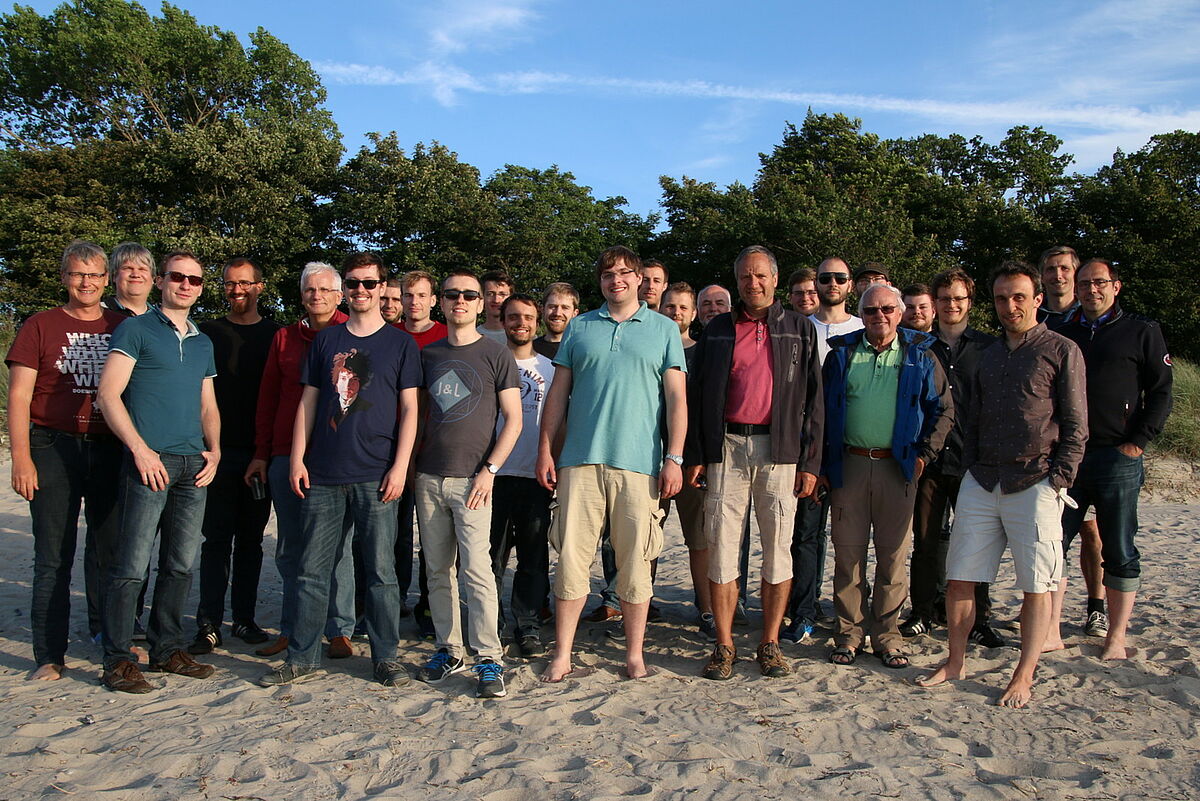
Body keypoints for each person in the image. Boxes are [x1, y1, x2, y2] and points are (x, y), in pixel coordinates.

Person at [919, 260, 1086, 708]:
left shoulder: (1061, 349)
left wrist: (1059, 478)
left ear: (1036, 300)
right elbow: (968, 417)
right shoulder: (988, 355)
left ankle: (1023, 674)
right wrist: (972, 465)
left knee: (1036, 586)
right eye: (1001, 298)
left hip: (1036, 482)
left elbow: (1075, 423)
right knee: (960, 578)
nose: (1010, 306)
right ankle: (955, 660)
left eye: (1018, 297)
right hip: (982, 478)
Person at [258, 252, 421, 688]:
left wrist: (400, 467)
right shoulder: (327, 341)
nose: (361, 291)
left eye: (370, 284)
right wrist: (296, 458)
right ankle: (301, 657)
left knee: (382, 572)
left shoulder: (400, 343)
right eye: (353, 284)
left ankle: (385, 658)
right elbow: (307, 404)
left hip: (377, 473)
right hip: (323, 473)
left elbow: (410, 410)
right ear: (344, 289)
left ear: (383, 288)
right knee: (312, 569)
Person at [537, 245, 686, 682]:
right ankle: (562, 653)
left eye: (624, 273)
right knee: (569, 561)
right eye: (607, 274)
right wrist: (546, 449)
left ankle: (634, 654)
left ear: (640, 278)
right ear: (599, 281)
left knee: (636, 563)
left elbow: (676, 398)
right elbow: (558, 395)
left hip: (640, 465)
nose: (615, 280)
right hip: (579, 462)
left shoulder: (663, 329)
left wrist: (674, 457)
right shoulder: (580, 327)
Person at [685, 246, 822, 680]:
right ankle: (724, 645)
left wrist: (810, 461)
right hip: (726, 448)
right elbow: (698, 394)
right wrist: (697, 455)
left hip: (780, 452)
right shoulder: (719, 329)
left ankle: (770, 643)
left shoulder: (800, 328)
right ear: (737, 281)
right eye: (745, 277)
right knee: (723, 550)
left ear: (775, 279)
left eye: (760, 276)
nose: (753, 283)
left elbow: (815, 400)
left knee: (778, 551)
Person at [96, 250, 220, 693]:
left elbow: (208, 403)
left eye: (195, 279)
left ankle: (167, 649)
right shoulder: (136, 329)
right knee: (131, 565)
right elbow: (108, 396)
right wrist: (140, 451)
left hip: (194, 466)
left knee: (180, 564)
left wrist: (216, 450)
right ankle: (118, 659)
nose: (186, 285)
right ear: (162, 281)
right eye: (177, 277)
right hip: (150, 462)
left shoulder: (203, 341)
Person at [6, 240, 126, 680]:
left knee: (110, 551)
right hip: (52, 446)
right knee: (53, 555)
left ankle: (113, 644)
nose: (86, 282)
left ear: (106, 279)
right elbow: (18, 397)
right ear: (64, 278)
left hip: (107, 446)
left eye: (95, 275)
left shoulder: (122, 326)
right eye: (78, 274)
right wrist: (21, 459)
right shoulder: (40, 325)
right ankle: (49, 656)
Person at [821, 283, 952, 670]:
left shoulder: (921, 355)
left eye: (887, 310)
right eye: (871, 310)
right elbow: (822, 411)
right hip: (850, 464)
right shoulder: (841, 355)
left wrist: (924, 455)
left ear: (899, 312)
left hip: (900, 466)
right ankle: (848, 634)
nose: (879, 316)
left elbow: (943, 410)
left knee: (893, 557)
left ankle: (887, 635)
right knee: (848, 555)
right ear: (860, 314)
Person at [1051, 258, 1172, 660]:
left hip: (1117, 457)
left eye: (1099, 283)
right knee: (1053, 545)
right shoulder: (1060, 331)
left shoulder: (1142, 331)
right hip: (1067, 457)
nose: (1091, 290)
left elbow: (1161, 392)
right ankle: (1051, 629)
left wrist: (1137, 443)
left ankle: (1115, 636)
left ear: (1116, 286)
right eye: (1083, 284)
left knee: (1118, 548)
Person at [415, 270, 521, 699]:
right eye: (452, 294)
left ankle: (490, 657)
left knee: (477, 570)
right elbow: (415, 415)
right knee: (437, 570)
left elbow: (513, 420)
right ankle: (449, 647)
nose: (460, 300)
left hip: (474, 480)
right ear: (441, 301)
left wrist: (489, 470)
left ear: (482, 304)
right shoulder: (428, 354)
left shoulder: (497, 355)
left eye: (469, 295)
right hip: (428, 476)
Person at [246, 263, 352, 659]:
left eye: (325, 289)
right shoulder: (284, 339)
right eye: (310, 290)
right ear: (302, 294)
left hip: (336, 459)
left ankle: (339, 629)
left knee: (337, 548)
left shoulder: (353, 335)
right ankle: (291, 629)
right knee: (290, 547)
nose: (317, 296)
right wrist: (262, 453)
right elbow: (267, 400)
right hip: (285, 455)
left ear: (339, 295)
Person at [902, 270, 1002, 646]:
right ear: (936, 303)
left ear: (969, 302)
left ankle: (979, 618)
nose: (951, 305)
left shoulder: (989, 347)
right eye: (945, 299)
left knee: (976, 543)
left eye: (959, 298)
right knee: (926, 542)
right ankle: (923, 613)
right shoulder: (918, 347)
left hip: (974, 460)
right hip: (927, 460)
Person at [189, 258, 280, 654]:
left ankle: (243, 618)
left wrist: (268, 450)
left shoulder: (277, 335)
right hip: (215, 453)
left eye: (245, 283)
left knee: (251, 541)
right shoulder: (206, 332)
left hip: (260, 453)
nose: (237, 290)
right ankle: (208, 622)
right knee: (214, 539)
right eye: (230, 283)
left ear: (260, 287)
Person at [1036, 244, 1103, 634]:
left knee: (1092, 531)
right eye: (1050, 269)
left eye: (1064, 269)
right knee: (1053, 534)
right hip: (1049, 444)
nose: (1057, 275)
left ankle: (1095, 604)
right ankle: (1048, 617)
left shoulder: (1089, 319)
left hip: (1090, 441)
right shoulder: (1036, 316)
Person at [487, 293, 555, 658]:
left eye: (528, 317)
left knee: (533, 556)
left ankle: (527, 625)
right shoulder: (489, 361)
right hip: (493, 475)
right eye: (513, 317)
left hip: (534, 475)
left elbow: (558, 423)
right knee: (490, 557)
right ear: (503, 319)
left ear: (538, 320)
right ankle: (492, 624)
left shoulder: (551, 368)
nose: (521, 323)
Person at [395, 269, 447, 636]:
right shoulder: (388, 336)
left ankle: (430, 605)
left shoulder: (446, 337)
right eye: (408, 295)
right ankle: (392, 600)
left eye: (421, 295)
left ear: (433, 300)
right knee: (394, 535)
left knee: (433, 536)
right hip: (389, 450)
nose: (415, 302)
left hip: (435, 450)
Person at [659, 282, 713, 636]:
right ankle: (639, 604)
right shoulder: (650, 347)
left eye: (682, 307)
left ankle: (707, 609)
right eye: (670, 307)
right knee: (645, 539)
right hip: (651, 456)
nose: (675, 312)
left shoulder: (706, 352)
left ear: (693, 314)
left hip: (693, 459)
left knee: (700, 538)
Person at [809, 257, 865, 363]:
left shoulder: (864, 328)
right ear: (815, 285)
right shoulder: (801, 328)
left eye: (841, 279)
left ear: (850, 285)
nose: (833, 284)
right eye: (825, 278)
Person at [100, 242, 154, 318]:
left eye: (142, 269)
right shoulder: (98, 313)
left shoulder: (163, 318)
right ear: (114, 276)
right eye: (128, 268)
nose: (135, 275)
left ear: (153, 278)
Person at [533, 282, 579, 360]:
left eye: (565, 307)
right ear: (543, 310)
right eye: (552, 307)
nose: (558, 313)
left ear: (575, 313)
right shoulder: (530, 349)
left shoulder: (582, 349)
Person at [477, 270, 514, 344]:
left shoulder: (524, 337)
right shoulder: (473, 336)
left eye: (502, 294)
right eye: (490, 294)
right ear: (481, 297)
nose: (496, 300)